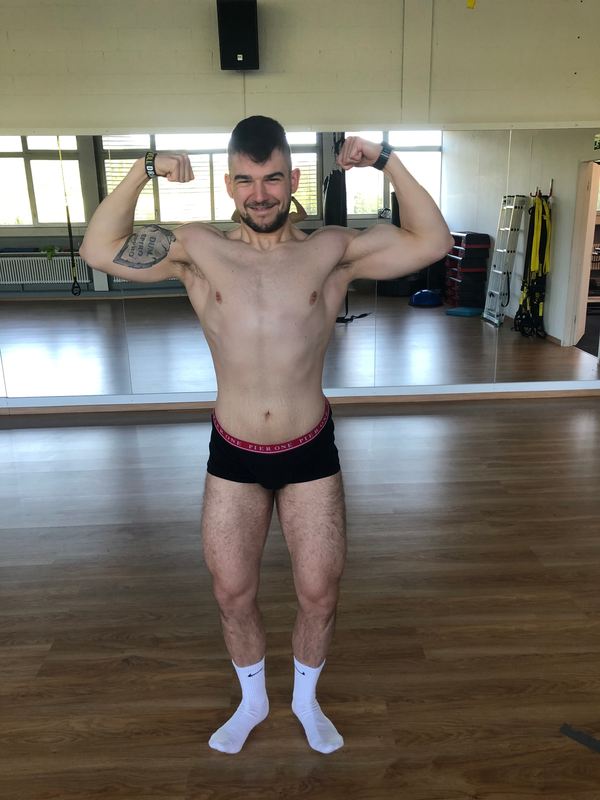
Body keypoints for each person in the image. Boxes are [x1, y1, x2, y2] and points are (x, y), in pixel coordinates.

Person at [80, 116, 453, 755]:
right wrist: (145, 168)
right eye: (247, 181)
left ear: (293, 179)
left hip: (310, 452)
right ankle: (253, 702)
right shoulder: (196, 249)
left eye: (273, 179)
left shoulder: (331, 250)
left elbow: (433, 240)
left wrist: (385, 158)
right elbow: (98, 249)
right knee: (232, 593)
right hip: (234, 454)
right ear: (229, 184)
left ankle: (306, 702)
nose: (260, 194)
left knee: (320, 594)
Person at [231, 194, 307, 224]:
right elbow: (235, 218)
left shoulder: (284, 219)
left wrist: (292, 199)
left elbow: (302, 215)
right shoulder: (253, 219)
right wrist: (243, 202)